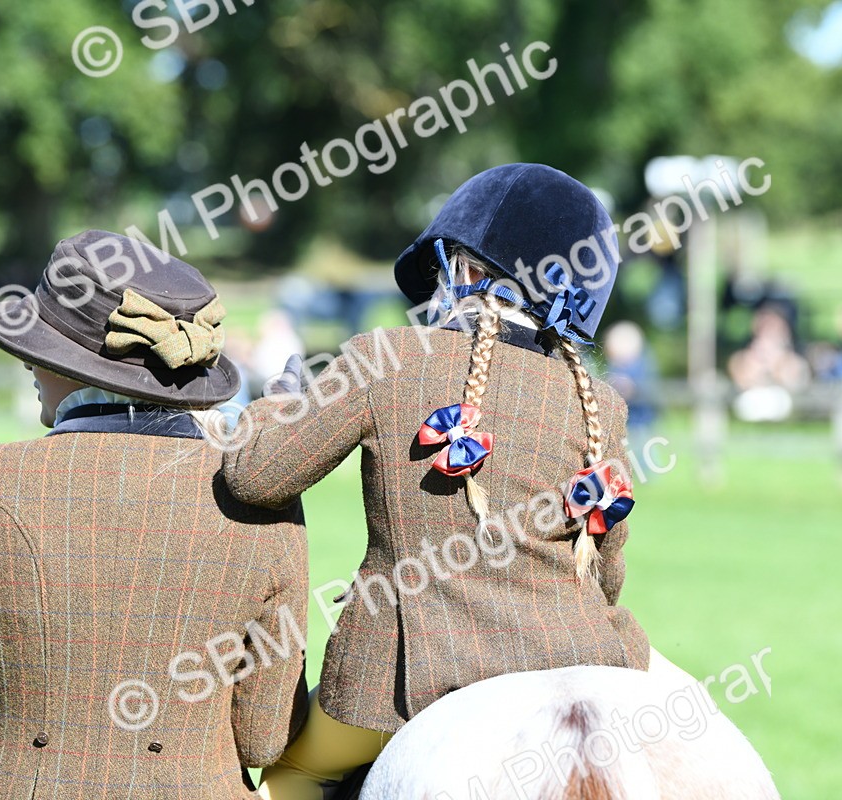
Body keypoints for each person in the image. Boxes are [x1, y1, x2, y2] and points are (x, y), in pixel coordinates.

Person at [222, 164, 658, 799]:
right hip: (579, 653)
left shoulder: (387, 358)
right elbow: (607, 575)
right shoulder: (602, 404)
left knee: (295, 773)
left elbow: (257, 476)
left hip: (399, 682)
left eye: (446, 266)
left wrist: (277, 404)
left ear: (470, 271)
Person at [0, 230, 308, 800]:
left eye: (41, 346)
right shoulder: (258, 490)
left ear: (77, 366)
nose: (28, 362)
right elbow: (263, 736)